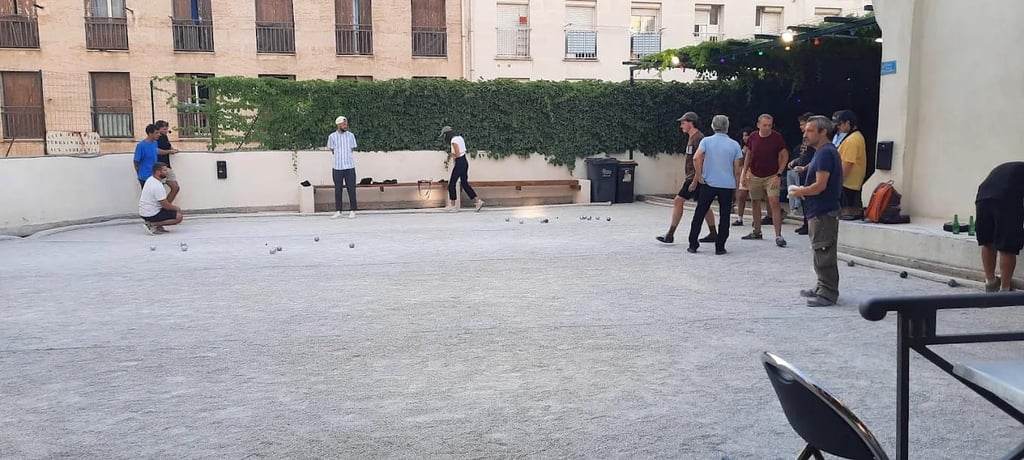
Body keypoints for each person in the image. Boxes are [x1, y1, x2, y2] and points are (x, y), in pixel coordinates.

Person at [790, 116, 843, 307]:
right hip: (818, 210)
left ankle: (828, 292)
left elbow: (820, 185)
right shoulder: (821, 152)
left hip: (823, 210)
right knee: (820, 249)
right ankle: (822, 286)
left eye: (810, 130)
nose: (805, 134)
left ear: (823, 132)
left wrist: (799, 191)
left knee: (824, 250)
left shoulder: (826, 153)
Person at [656, 112, 718, 244]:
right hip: (695, 177)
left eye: (683, 122)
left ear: (691, 122)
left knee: (678, 201)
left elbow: (701, 160)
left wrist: (695, 180)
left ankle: (670, 234)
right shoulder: (692, 138)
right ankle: (713, 233)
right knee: (704, 205)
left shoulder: (698, 138)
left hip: (694, 178)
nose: (681, 126)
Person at [686, 115, 744, 255]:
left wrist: (699, 175)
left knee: (699, 213)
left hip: (709, 183)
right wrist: (737, 189)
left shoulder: (706, 141)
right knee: (725, 216)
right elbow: (737, 170)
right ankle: (720, 246)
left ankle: (693, 244)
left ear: (713, 126)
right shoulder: (735, 145)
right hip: (727, 185)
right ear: (727, 127)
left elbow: (696, 158)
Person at [741, 114, 790, 247]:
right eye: (764, 125)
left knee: (774, 201)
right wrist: (745, 173)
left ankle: (778, 235)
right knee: (755, 201)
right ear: (758, 125)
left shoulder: (776, 137)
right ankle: (757, 231)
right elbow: (749, 154)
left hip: (772, 175)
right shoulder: (753, 137)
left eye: (769, 125)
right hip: (755, 174)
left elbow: (784, 155)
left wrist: (779, 174)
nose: (767, 128)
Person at [975, 161, 1024, 292]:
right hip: (1006, 198)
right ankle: (1005, 289)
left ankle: (991, 282)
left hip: (983, 196)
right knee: (1008, 246)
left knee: (988, 241)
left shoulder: (1013, 167)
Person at [441, 126, 484, 212]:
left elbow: (457, 153)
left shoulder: (453, 141)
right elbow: (462, 151)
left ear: (447, 135)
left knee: (451, 184)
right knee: (464, 183)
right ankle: (478, 201)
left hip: (459, 162)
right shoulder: (460, 138)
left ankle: (453, 206)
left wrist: (451, 155)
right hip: (464, 161)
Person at [834, 110, 867, 220]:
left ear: (847, 123)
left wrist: (837, 183)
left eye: (840, 124)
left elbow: (847, 163)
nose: (838, 127)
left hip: (848, 184)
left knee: (845, 215)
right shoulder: (856, 136)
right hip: (851, 183)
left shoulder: (852, 140)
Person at [787, 113, 816, 235]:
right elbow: (803, 155)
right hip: (802, 170)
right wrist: (796, 161)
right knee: (804, 199)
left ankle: (809, 224)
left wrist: (805, 167)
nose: (801, 127)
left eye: (803, 124)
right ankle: (805, 223)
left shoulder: (814, 140)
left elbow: (813, 157)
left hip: (810, 171)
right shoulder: (805, 138)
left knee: (808, 198)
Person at [139, 162, 184, 235]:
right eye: (165, 170)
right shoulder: (157, 185)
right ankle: (152, 224)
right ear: (157, 172)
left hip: (145, 211)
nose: (167, 172)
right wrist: (176, 208)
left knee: (169, 211)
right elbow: (165, 205)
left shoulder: (150, 179)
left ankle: (157, 226)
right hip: (151, 213)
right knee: (179, 217)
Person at [328, 116, 358, 219]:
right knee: (338, 189)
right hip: (337, 167)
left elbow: (352, 148)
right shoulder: (332, 136)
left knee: (351, 188)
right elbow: (332, 150)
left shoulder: (351, 136)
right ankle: (338, 211)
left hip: (349, 166)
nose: (346, 126)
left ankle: (353, 210)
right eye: (343, 124)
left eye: (346, 124)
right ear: (338, 124)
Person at [732, 126, 755, 227]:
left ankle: (756, 218)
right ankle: (739, 218)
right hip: (744, 172)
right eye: (744, 136)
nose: (745, 138)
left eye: (747, 135)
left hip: (755, 172)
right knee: (741, 196)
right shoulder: (742, 148)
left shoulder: (756, 145)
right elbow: (739, 162)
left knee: (755, 197)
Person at [154, 120, 181, 203]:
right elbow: (156, 151)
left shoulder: (165, 137)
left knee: (175, 187)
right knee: (159, 190)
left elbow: (168, 147)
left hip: (167, 165)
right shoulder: (156, 139)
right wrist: (169, 151)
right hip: (159, 166)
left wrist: (172, 150)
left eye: (167, 129)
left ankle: (166, 207)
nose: (166, 131)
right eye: (164, 129)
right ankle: (160, 208)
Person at [133, 124, 160, 189]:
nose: (159, 134)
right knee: (148, 197)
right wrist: (139, 174)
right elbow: (136, 161)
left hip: (154, 176)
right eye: (156, 133)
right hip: (145, 176)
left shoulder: (155, 143)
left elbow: (156, 151)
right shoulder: (141, 145)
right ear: (150, 133)